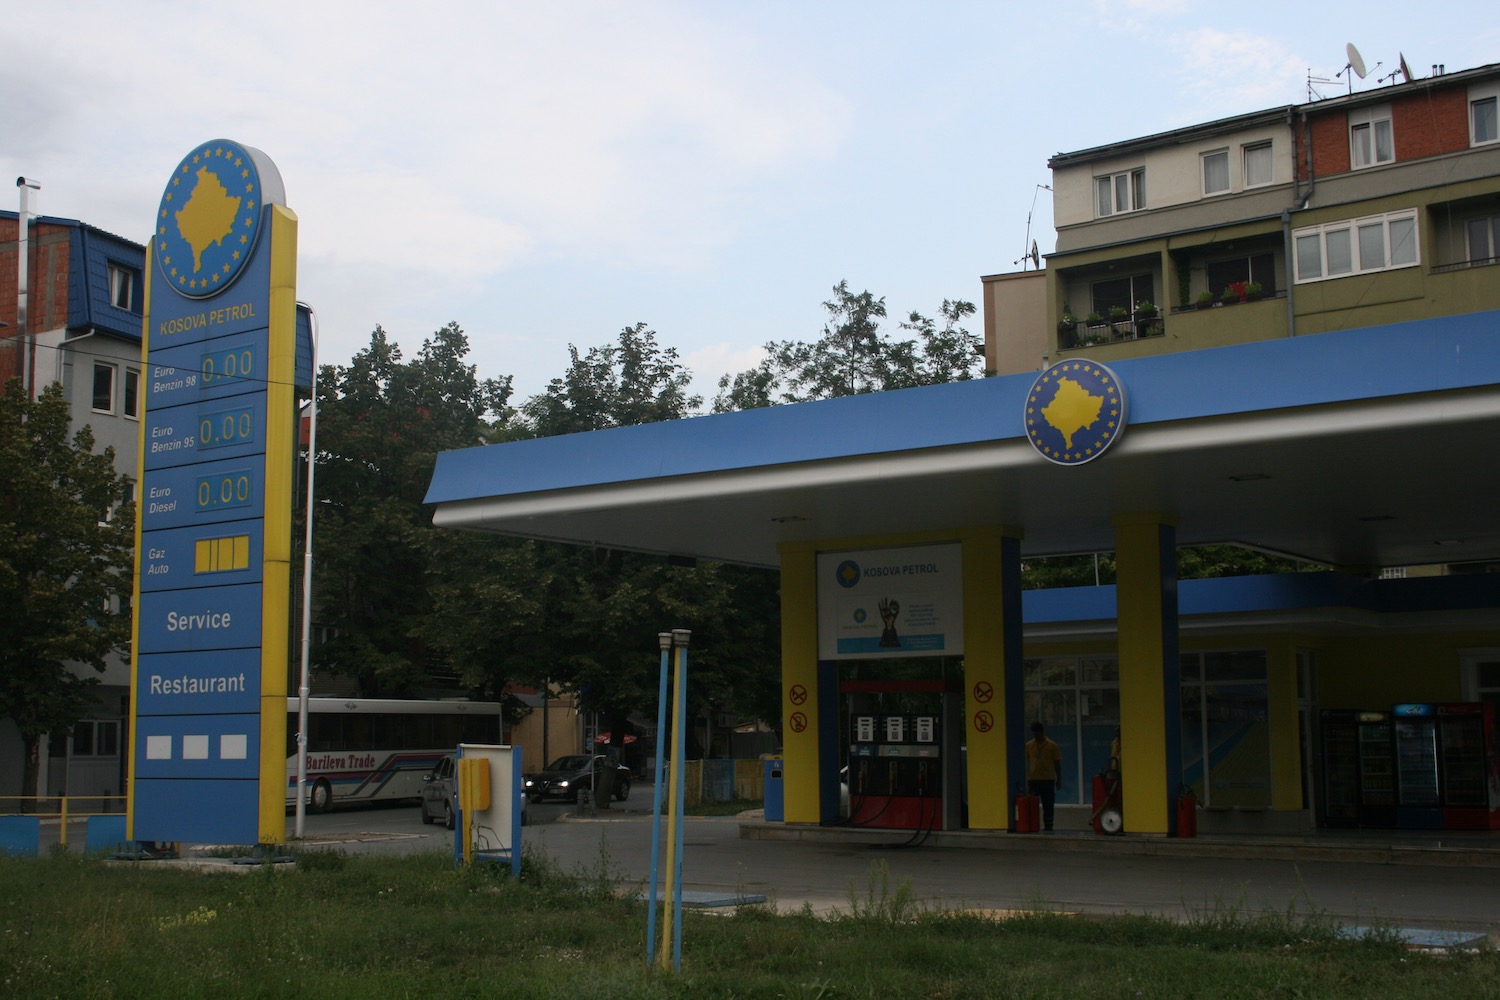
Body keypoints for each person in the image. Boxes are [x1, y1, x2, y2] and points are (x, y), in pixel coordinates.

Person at [1025, 721, 1063, 832]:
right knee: (1032, 804)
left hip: (1048, 779)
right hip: (1033, 779)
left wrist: (1059, 780)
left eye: (1037, 733)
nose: (1036, 736)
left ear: (1041, 732)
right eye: (1034, 734)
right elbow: (1025, 761)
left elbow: (1057, 764)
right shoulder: (1029, 745)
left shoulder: (1052, 745)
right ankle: (1032, 825)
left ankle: (1048, 825)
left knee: (1048, 804)